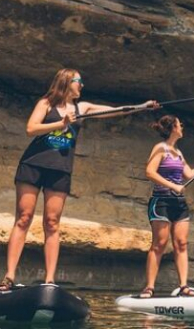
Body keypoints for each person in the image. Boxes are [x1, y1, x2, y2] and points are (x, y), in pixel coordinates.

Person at [0, 68, 158, 291]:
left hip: (60, 170)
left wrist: (143, 107)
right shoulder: (46, 103)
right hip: (33, 165)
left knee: (52, 223)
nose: (82, 85)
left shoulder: (81, 108)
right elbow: (30, 128)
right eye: (78, 81)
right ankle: (9, 276)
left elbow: (117, 111)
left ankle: (50, 280)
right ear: (66, 82)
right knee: (23, 218)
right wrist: (61, 123)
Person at [140, 114, 194, 298]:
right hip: (161, 201)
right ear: (172, 128)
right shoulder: (160, 148)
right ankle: (149, 287)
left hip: (179, 204)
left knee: (182, 243)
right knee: (159, 244)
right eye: (179, 124)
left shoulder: (178, 152)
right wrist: (173, 186)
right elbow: (149, 172)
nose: (182, 126)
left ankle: (184, 286)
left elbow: (189, 173)